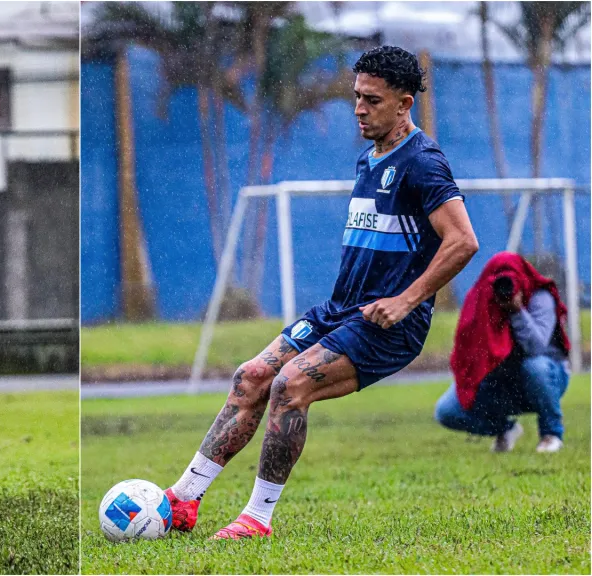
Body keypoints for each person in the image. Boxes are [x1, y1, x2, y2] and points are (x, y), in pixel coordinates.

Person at [163, 46, 479, 540]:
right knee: (251, 377)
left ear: (404, 104)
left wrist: (404, 301)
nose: (358, 108)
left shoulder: (424, 163)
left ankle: (256, 520)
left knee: (290, 386)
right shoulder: (367, 160)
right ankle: (183, 499)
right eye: (356, 97)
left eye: (371, 100)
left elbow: (463, 240)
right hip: (339, 310)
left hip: (386, 324)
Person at [436, 252, 570, 453]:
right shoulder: (483, 302)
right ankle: (504, 429)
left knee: (535, 367)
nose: (506, 288)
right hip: (502, 380)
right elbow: (469, 351)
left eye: (511, 279)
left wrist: (517, 312)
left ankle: (551, 434)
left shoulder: (540, 297)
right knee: (447, 411)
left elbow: (536, 348)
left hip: (545, 379)